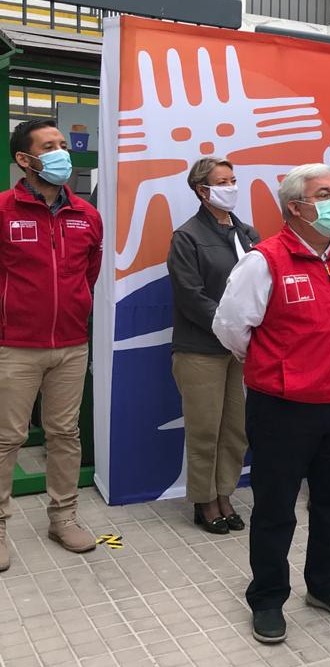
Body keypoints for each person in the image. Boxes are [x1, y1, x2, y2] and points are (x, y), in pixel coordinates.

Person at [212, 164, 330, 643]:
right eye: (323, 194)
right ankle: (267, 598)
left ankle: (325, 585)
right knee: (275, 508)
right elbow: (230, 328)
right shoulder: (264, 261)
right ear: (295, 208)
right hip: (283, 408)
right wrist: (278, 367)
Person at [0, 119, 103, 571]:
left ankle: (63, 517)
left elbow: (89, 274)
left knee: (65, 434)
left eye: (63, 144)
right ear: (25, 159)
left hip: (71, 344)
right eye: (50, 146)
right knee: (7, 439)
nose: (62, 151)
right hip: (15, 346)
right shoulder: (4, 210)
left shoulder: (86, 215)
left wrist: (74, 310)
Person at [167, 157, 259, 534]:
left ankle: (225, 493)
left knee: (235, 429)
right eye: (223, 181)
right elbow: (191, 296)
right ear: (203, 191)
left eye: (234, 179)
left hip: (239, 349)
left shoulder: (248, 234)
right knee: (205, 429)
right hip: (199, 349)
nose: (232, 187)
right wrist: (228, 327)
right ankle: (204, 500)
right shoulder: (186, 236)